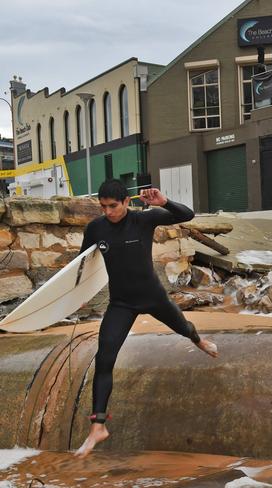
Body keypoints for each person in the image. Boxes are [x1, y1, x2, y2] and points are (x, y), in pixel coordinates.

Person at [74, 179, 218, 458]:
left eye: (113, 206)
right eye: (102, 207)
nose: (107, 212)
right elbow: (82, 263)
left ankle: (198, 340)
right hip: (121, 303)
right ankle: (98, 428)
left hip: (153, 297)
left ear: (126, 202)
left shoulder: (144, 219)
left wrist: (163, 202)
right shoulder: (96, 228)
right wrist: (79, 293)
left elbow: (186, 215)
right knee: (104, 358)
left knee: (183, 327)